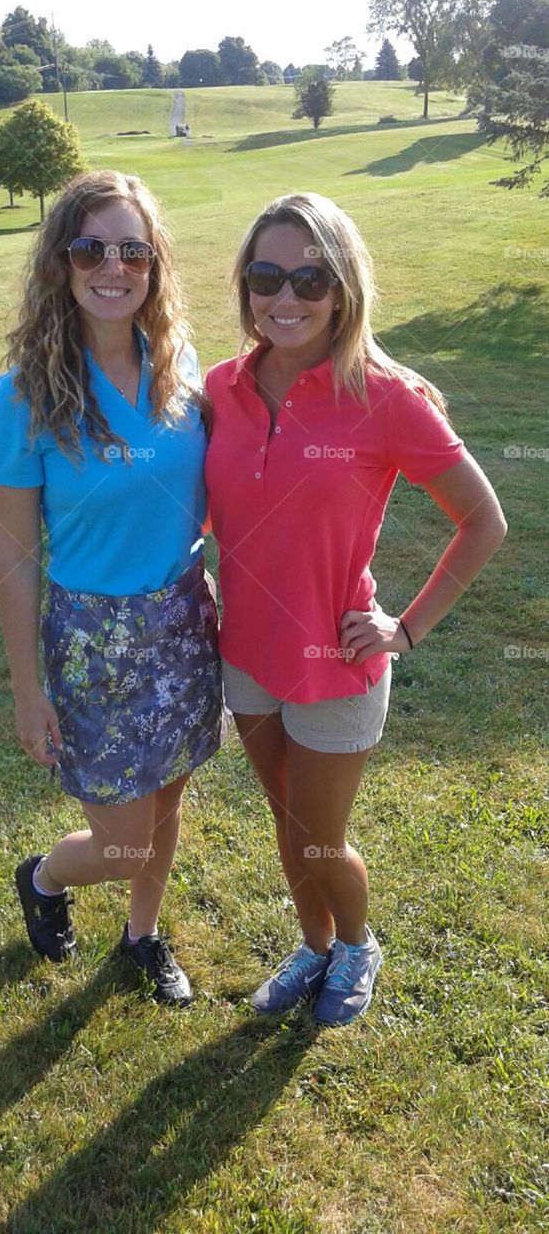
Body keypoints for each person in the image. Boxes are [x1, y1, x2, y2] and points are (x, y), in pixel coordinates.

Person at [204, 192, 507, 1025]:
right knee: (283, 816)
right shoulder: (219, 388)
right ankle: (314, 945)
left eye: (311, 277)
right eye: (267, 275)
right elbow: (205, 503)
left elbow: (483, 520)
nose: (286, 297)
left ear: (342, 288)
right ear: (245, 284)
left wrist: (405, 628)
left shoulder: (385, 397)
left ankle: (359, 943)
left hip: (335, 662)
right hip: (245, 652)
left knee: (317, 835)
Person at [0, 168, 226, 1007]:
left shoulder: (180, 366)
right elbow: (16, 557)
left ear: (154, 263)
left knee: (164, 800)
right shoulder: (24, 397)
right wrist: (26, 690)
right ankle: (47, 876)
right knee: (121, 842)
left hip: (184, 620)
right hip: (92, 641)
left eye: (133, 249)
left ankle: (142, 935)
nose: (112, 267)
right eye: (91, 249)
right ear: (62, 262)